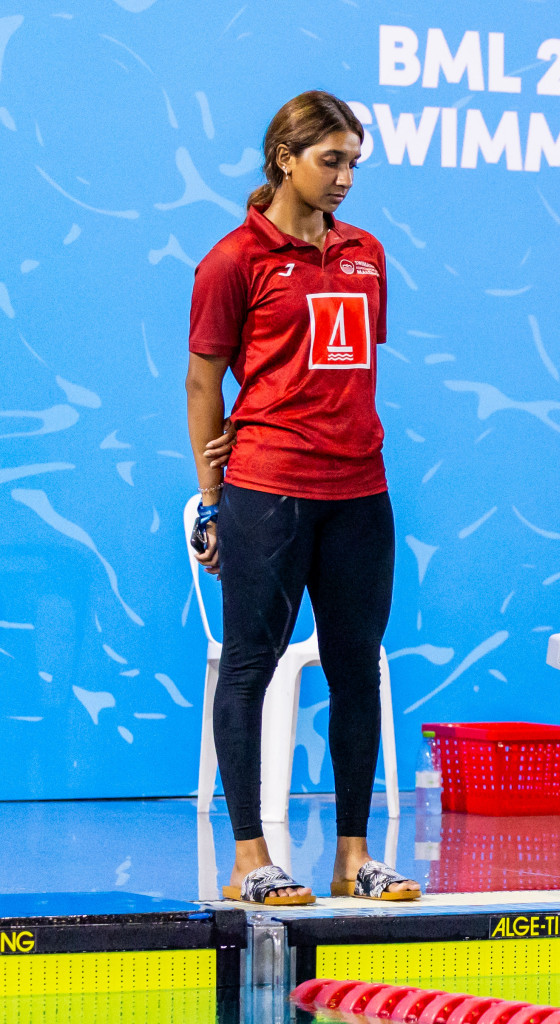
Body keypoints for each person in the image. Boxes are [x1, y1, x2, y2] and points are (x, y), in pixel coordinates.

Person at [185, 91, 419, 904]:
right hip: (269, 489)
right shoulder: (232, 261)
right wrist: (212, 495)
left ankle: (352, 859)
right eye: (332, 160)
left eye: (355, 161)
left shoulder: (366, 253)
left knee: (357, 667)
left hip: (361, 489)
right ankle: (252, 857)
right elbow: (203, 380)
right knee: (250, 664)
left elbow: (342, 370)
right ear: (284, 156)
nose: (347, 177)